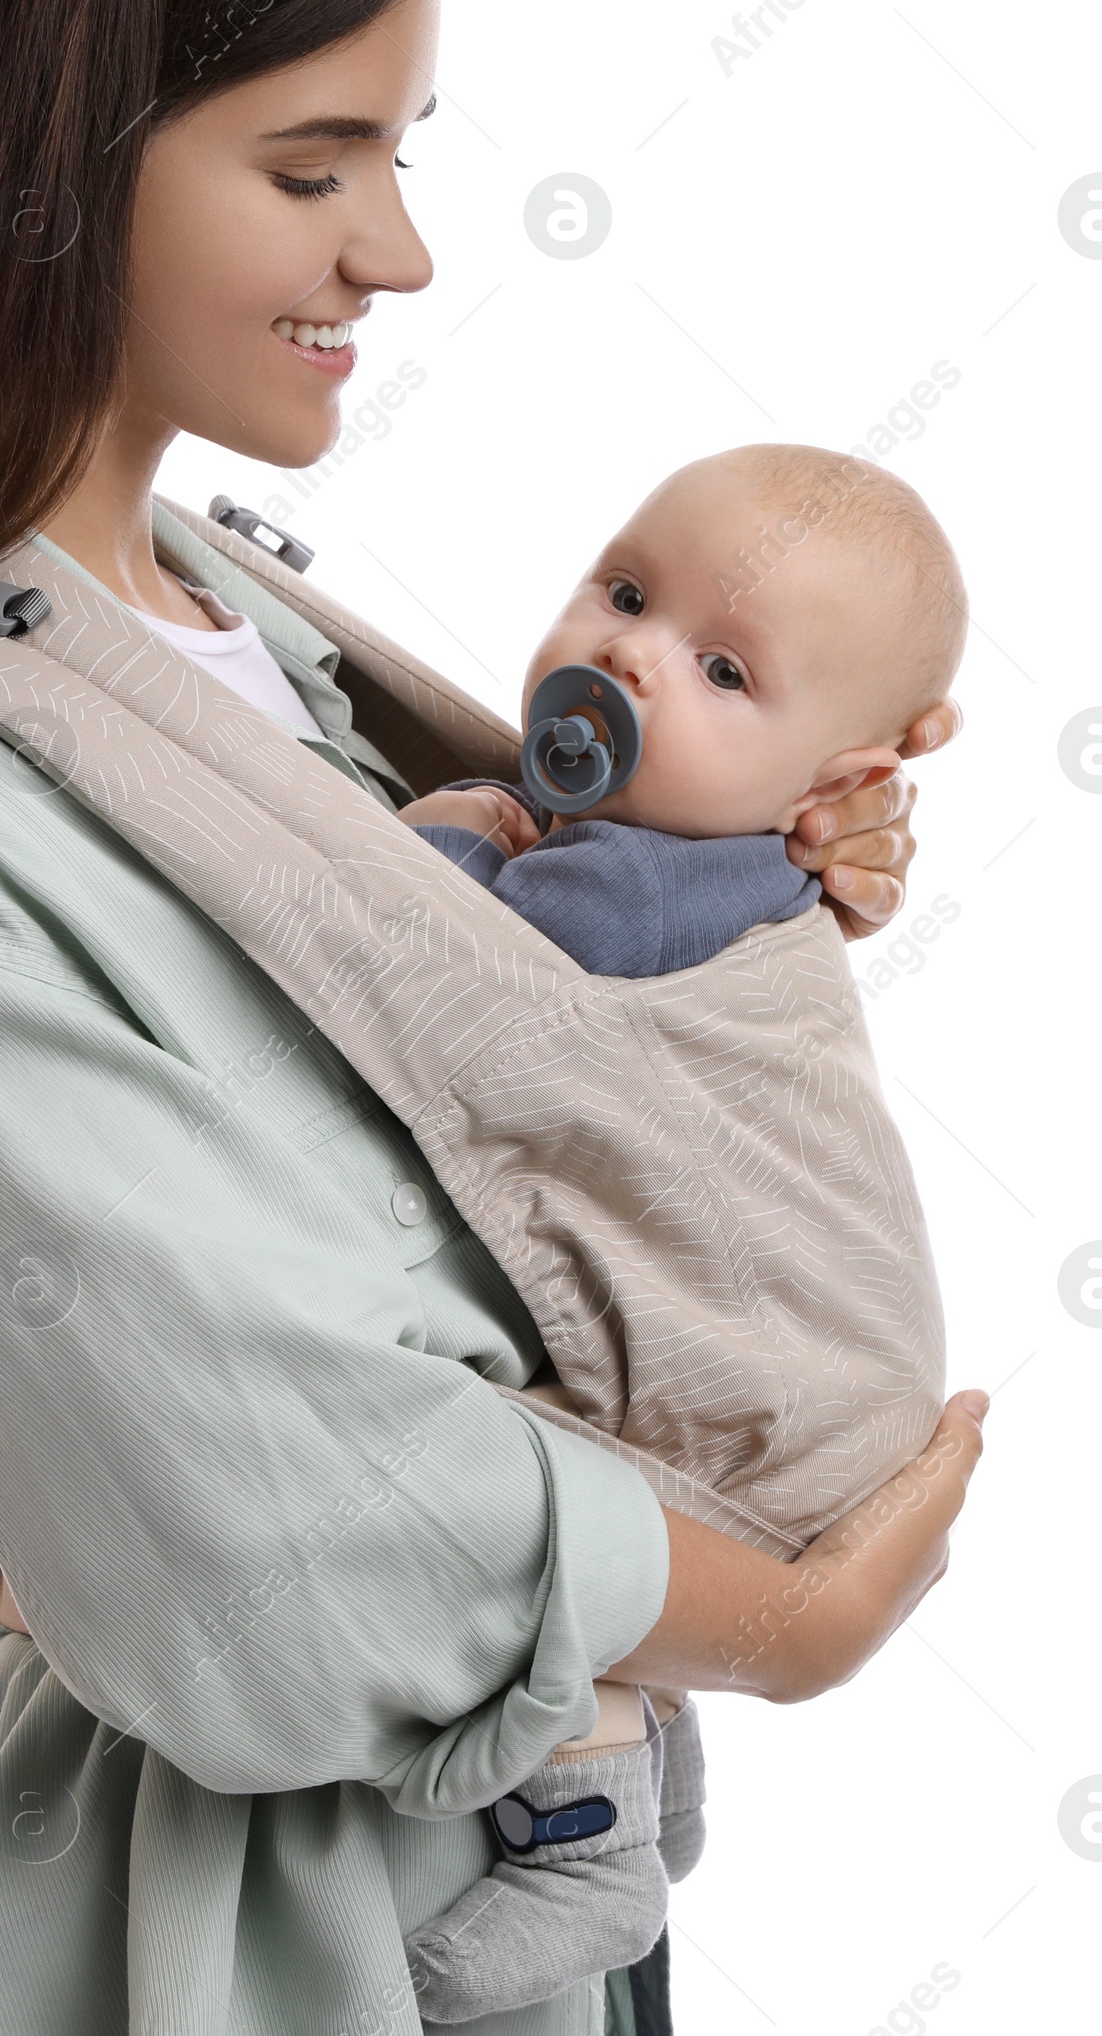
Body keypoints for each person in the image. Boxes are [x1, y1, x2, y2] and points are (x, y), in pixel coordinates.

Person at [0, 6, 984, 2033]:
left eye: (401, 157)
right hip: (169, 1923)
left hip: (458, 1867)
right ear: (41, 181)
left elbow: (458, 1107)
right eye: (309, 168)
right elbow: (256, 1539)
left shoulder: (210, 623)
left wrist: (757, 890)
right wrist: (780, 1616)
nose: (400, 254)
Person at [394, 443, 965, 2020]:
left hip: (785, 1388)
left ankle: (589, 1850)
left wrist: (447, 837)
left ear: (839, 785)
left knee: (529, 1490)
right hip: (853, 1387)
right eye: (625, 592)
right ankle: (665, 1773)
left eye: (721, 668)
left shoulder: (640, 890)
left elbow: (444, 986)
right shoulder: (709, 857)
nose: (629, 655)